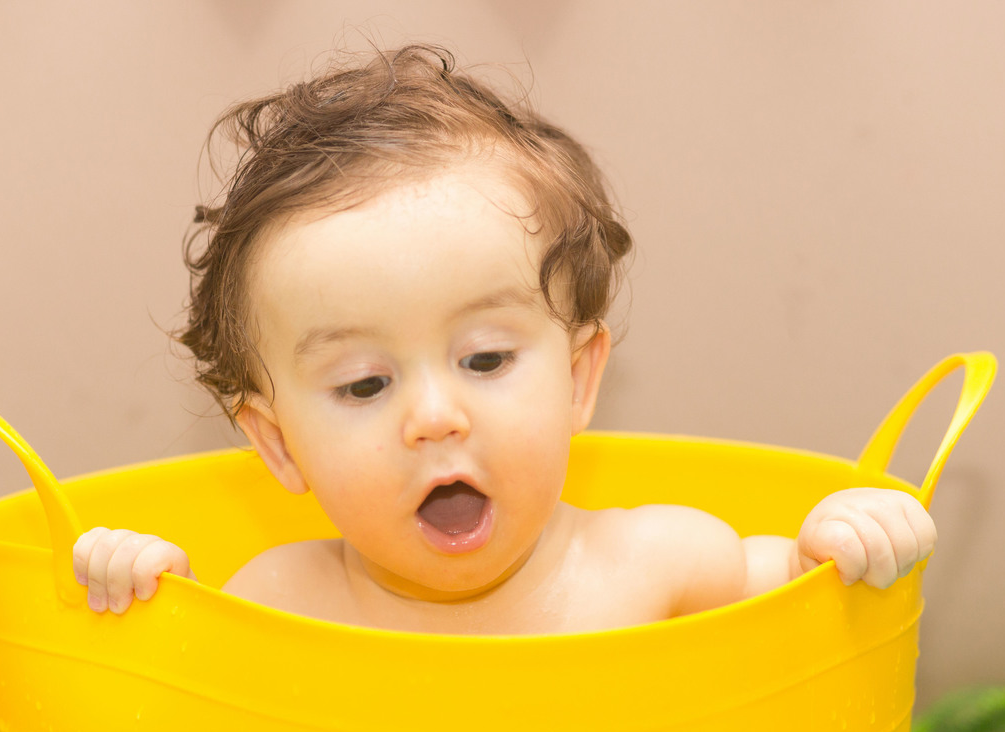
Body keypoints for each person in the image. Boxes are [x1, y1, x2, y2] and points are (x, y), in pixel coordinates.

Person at [73, 45, 935, 635]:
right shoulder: (280, 602)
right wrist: (149, 595)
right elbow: (193, 721)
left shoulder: (656, 564)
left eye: (485, 360)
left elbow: (795, 600)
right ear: (278, 445)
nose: (435, 417)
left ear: (577, 379)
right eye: (365, 385)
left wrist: (839, 536)